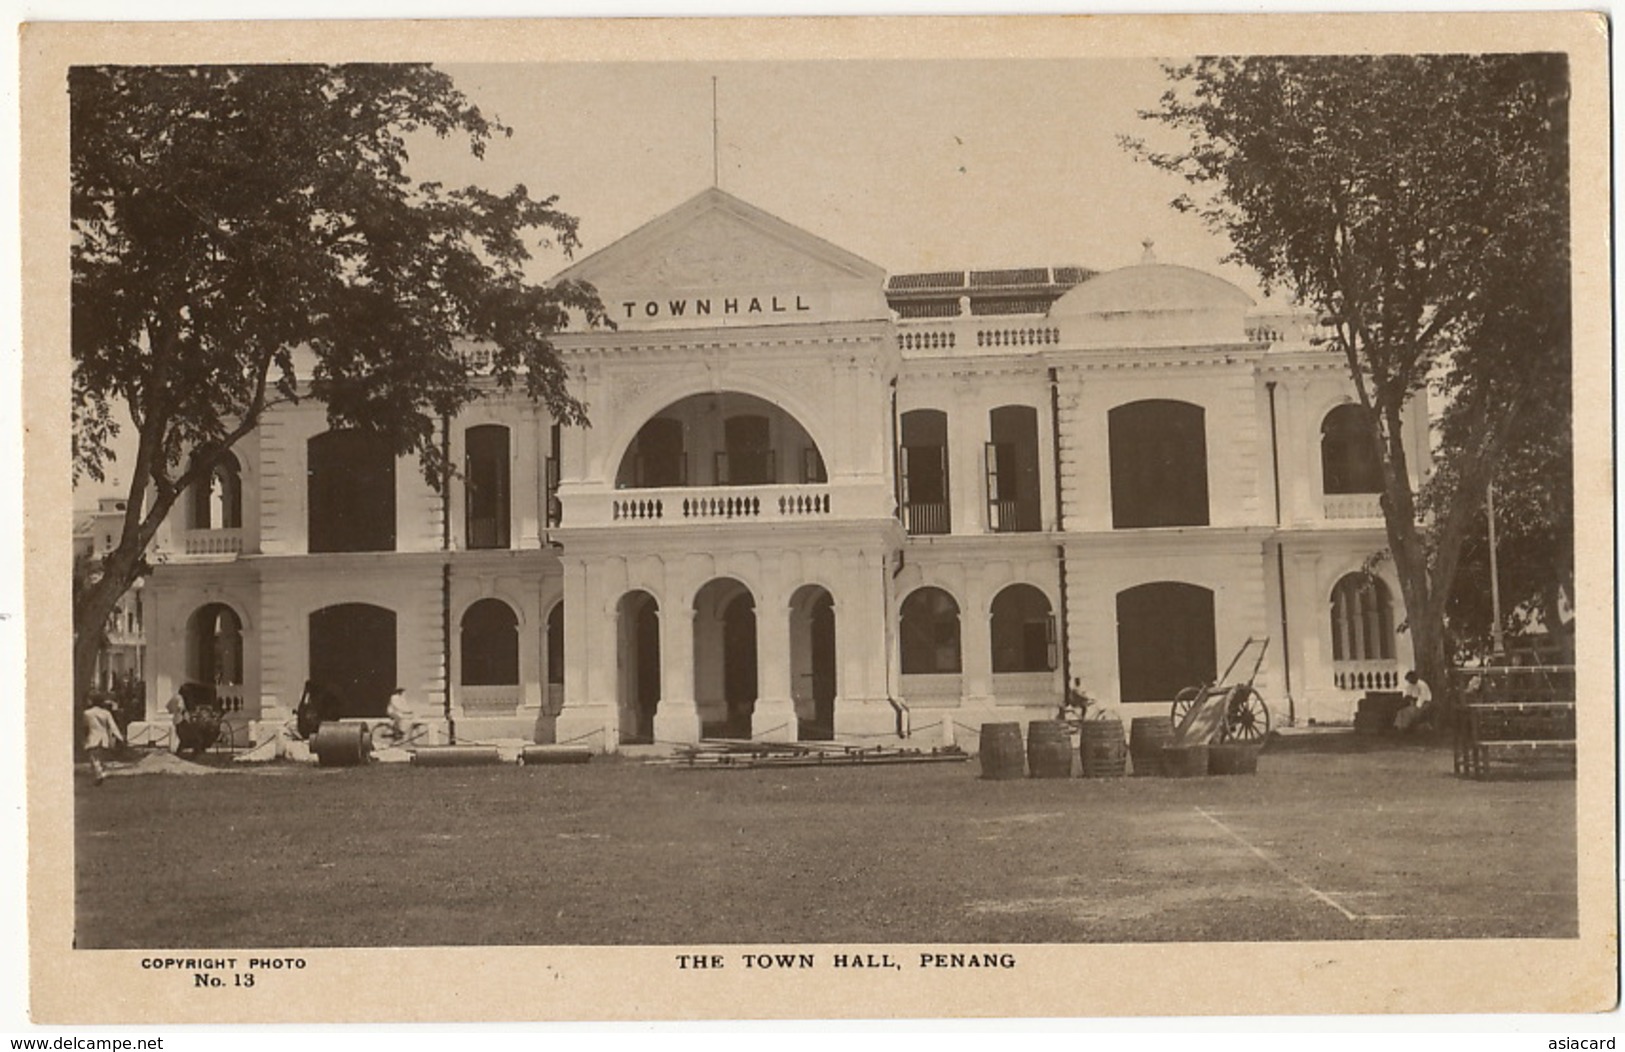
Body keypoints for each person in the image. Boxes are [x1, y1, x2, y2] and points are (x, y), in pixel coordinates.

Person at [83, 694, 124, 786]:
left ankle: (100, 775)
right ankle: (100, 775)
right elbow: (112, 726)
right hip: (104, 738)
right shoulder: (106, 713)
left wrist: (85, 738)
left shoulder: (87, 713)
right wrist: (119, 737)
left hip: (93, 737)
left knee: (93, 758)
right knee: (100, 759)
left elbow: (86, 727)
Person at [165, 688, 187, 753]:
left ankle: (179, 749)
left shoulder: (174, 697)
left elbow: (168, 706)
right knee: (183, 735)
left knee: (179, 734)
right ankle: (179, 750)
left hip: (175, 719)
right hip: (180, 718)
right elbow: (180, 707)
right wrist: (182, 712)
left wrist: (172, 711)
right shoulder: (180, 698)